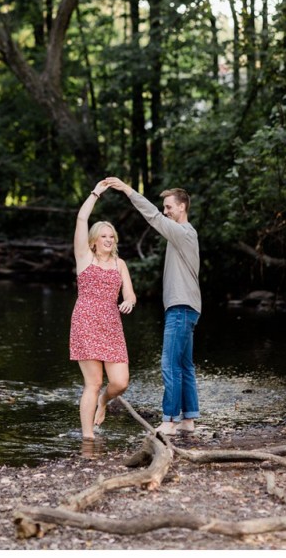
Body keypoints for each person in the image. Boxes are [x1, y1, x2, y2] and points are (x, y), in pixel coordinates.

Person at [104, 178, 201, 435]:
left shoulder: (182, 232)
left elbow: (153, 217)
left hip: (181, 307)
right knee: (184, 365)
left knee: (170, 364)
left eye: (169, 206)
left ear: (182, 207)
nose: (166, 211)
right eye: (165, 207)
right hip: (188, 307)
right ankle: (188, 420)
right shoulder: (186, 235)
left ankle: (169, 421)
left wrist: (127, 190)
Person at [69, 181, 136, 441]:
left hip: (111, 324)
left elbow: (129, 292)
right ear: (94, 241)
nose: (108, 240)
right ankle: (88, 437)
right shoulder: (84, 257)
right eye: (103, 237)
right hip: (85, 322)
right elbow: (82, 217)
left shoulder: (120, 264)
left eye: (112, 237)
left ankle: (104, 401)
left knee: (120, 382)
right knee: (93, 383)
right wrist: (96, 192)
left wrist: (129, 300)